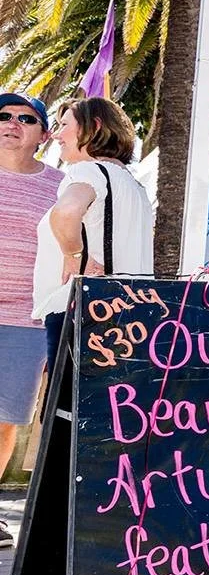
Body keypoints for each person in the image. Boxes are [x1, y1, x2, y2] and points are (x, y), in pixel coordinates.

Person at [31, 98, 153, 371]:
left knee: (68, 408)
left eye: (64, 125)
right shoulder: (132, 184)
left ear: (94, 127)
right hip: (130, 316)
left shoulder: (87, 171)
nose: (56, 134)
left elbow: (66, 211)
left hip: (83, 312)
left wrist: (74, 256)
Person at [0, 92, 60, 548]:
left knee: (4, 422)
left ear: (43, 134)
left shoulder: (62, 186)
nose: (13, 123)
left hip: (26, 323)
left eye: (26, 118)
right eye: (4, 116)